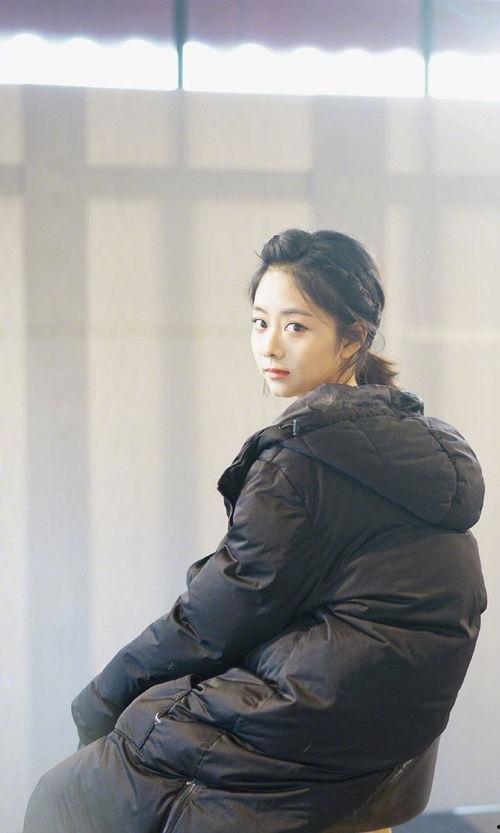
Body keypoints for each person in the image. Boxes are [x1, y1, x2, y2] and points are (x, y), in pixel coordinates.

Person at [23, 228, 487, 833]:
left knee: (67, 795)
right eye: (259, 322)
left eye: (296, 327)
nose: (270, 345)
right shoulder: (401, 444)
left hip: (309, 727)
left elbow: (219, 614)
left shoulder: (307, 458)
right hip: (388, 738)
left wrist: (101, 698)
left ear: (353, 337)